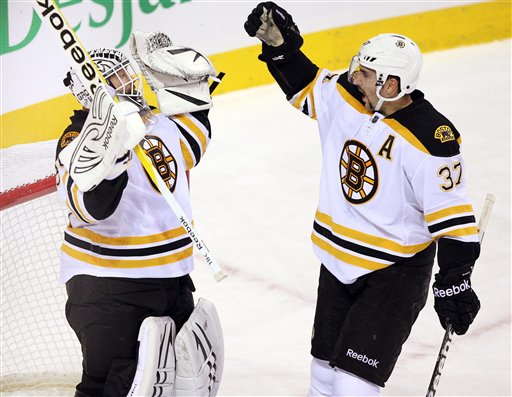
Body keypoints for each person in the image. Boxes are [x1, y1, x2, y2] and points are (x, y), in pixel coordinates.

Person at [244, 3, 481, 395]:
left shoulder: (431, 138)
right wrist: (280, 49)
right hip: (337, 265)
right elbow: (306, 86)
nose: (355, 76)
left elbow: (454, 220)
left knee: (353, 387)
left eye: (366, 74)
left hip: (394, 273)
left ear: (391, 85)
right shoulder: (348, 97)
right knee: (321, 376)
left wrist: (454, 280)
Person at [56, 39, 218, 397]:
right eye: (114, 78)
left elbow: (195, 140)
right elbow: (92, 208)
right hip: (109, 286)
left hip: (171, 277)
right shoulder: (77, 141)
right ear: (90, 96)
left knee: (177, 381)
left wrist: (189, 89)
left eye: (126, 71)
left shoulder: (157, 121)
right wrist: (112, 151)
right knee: (111, 387)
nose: (127, 81)